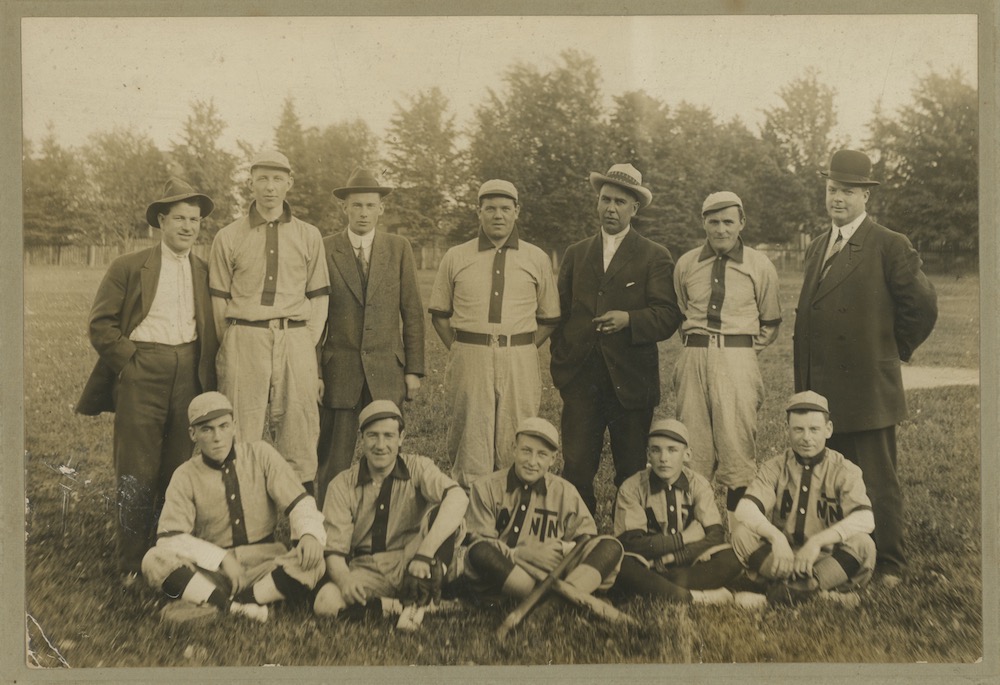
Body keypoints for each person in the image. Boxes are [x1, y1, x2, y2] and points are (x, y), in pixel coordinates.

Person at [793, 149, 937, 585]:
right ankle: (846, 549)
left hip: (867, 387)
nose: (838, 198)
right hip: (821, 390)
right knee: (831, 474)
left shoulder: (890, 244)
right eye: (832, 190)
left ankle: (889, 562)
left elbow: (922, 307)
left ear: (865, 196)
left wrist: (890, 353)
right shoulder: (819, 245)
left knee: (876, 477)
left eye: (848, 191)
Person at [76, 177, 219, 585]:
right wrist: (130, 364)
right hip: (143, 369)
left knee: (177, 468)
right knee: (136, 467)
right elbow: (100, 325)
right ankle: (131, 562)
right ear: (161, 221)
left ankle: (169, 553)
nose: (188, 227)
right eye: (179, 218)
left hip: (188, 370)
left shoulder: (204, 270)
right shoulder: (128, 266)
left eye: (194, 219)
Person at [550, 163, 682, 515]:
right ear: (596, 203)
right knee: (576, 465)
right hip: (582, 382)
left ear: (635, 208)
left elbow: (668, 316)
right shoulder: (577, 253)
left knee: (631, 469)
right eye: (605, 199)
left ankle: (630, 534)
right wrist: (564, 365)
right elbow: (559, 314)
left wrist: (630, 320)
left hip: (631, 382)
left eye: (620, 202)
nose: (611, 208)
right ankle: (578, 535)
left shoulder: (655, 255)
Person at [141, 392, 327, 623]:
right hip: (216, 571)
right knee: (154, 559)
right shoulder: (185, 475)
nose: (217, 437)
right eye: (207, 429)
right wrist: (222, 559)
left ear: (234, 427)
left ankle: (222, 603)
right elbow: (170, 537)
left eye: (223, 426)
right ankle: (241, 608)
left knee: (315, 561)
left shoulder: (261, 455)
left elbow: (300, 502)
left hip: (266, 564)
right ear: (193, 434)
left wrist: (309, 535)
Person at [209, 150, 330, 493]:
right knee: (240, 430)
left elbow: (319, 296)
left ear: (289, 183)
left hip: (295, 339)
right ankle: (241, 522)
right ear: (250, 183)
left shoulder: (309, 235)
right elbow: (218, 301)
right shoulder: (228, 236)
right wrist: (234, 341)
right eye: (262, 178)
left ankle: (302, 528)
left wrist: (304, 340)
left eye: (278, 179)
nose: (270, 187)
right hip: (245, 338)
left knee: (300, 429)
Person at [428, 180, 560, 488]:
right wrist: (462, 349)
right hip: (470, 355)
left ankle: (515, 508)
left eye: (504, 208)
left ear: (517, 212)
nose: (497, 215)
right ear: (478, 212)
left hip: (519, 357)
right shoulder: (456, 256)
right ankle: (470, 512)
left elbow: (550, 318)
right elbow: (439, 316)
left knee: (519, 432)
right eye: (490, 209)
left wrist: (521, 347)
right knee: (471, 434)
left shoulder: (536, 257)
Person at [315, 168, 424, 507]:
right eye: (356, 205)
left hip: (386, 371)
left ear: (381, 209)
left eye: (370, 206)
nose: (363, 213)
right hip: (340, 371)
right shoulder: (324, 248)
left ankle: (386, 519)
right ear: (344, 209)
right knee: (333, 457)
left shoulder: (398, 248)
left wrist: (413, 370)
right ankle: (325, 525)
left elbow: (413, 311)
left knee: (386, 451)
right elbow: (315, 319)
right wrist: (316, 372)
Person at [673, 192, 781, 530]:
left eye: (728, 222)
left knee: (737, 447)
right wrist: (701, 348)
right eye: (714, 222)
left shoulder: (759, 264)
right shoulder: (687, 263)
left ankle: (739, 534)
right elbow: (681, 311)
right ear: (703, 222)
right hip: (693, 357)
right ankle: (697, 532)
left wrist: (739, 352)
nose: (721, 230)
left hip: (737, 359)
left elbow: (770, 321)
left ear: (741, 223)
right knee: (692, 445)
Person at [313, 400, 469, 618]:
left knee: (446, 516)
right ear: (361, 439)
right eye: (372, 435)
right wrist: (345, 580)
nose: (380, 444)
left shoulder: (418, 467)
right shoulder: (341, 485)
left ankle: (419, 597)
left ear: (401, 438)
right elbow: (334, 552)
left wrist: (423, 554)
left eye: (388, 436)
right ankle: (404, 607)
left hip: (414, 560)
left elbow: (458, 496)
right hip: (368, 568)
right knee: (325, 603)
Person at [732, 391, 876, 605]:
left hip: (825, 560)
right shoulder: (775, 466)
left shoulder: (845, 470)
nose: (806, 437)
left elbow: (866, 519)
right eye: (798, 429)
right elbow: (745, 509)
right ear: (787, 430)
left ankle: (776, 594)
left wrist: (817, 542)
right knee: (742, 533)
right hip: (782, 558)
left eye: (814, 429)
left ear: (828, 430)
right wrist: (777, 538)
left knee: (864, 545)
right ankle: (816, 595)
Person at [464, 417, 623, 606]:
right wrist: (519, 554)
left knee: (610, 546)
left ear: (553, 459)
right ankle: (564, 601)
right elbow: (481, 541)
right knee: (479, 552)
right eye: (526, 451)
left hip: (555, 570)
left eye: (542, 454)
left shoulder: (565, 491)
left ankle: (551, 602)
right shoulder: (486, 487)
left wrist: (560, 550)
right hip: (509, 575)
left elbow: (585, 539)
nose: (532, 461)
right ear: (514, 449)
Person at [611, 419, 742, 605]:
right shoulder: (632, 487)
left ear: (687, 454)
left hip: (687, 563)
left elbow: (715, 536)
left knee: (731, 559)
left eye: (672, 450)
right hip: (646, 563)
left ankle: (651, 589)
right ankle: (694, 597)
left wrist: (674, 557)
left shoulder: (698, 484)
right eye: (656, 450)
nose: (663, 458)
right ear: (648, 454)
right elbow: (631, 544)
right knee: (622, 566)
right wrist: (683, 538)